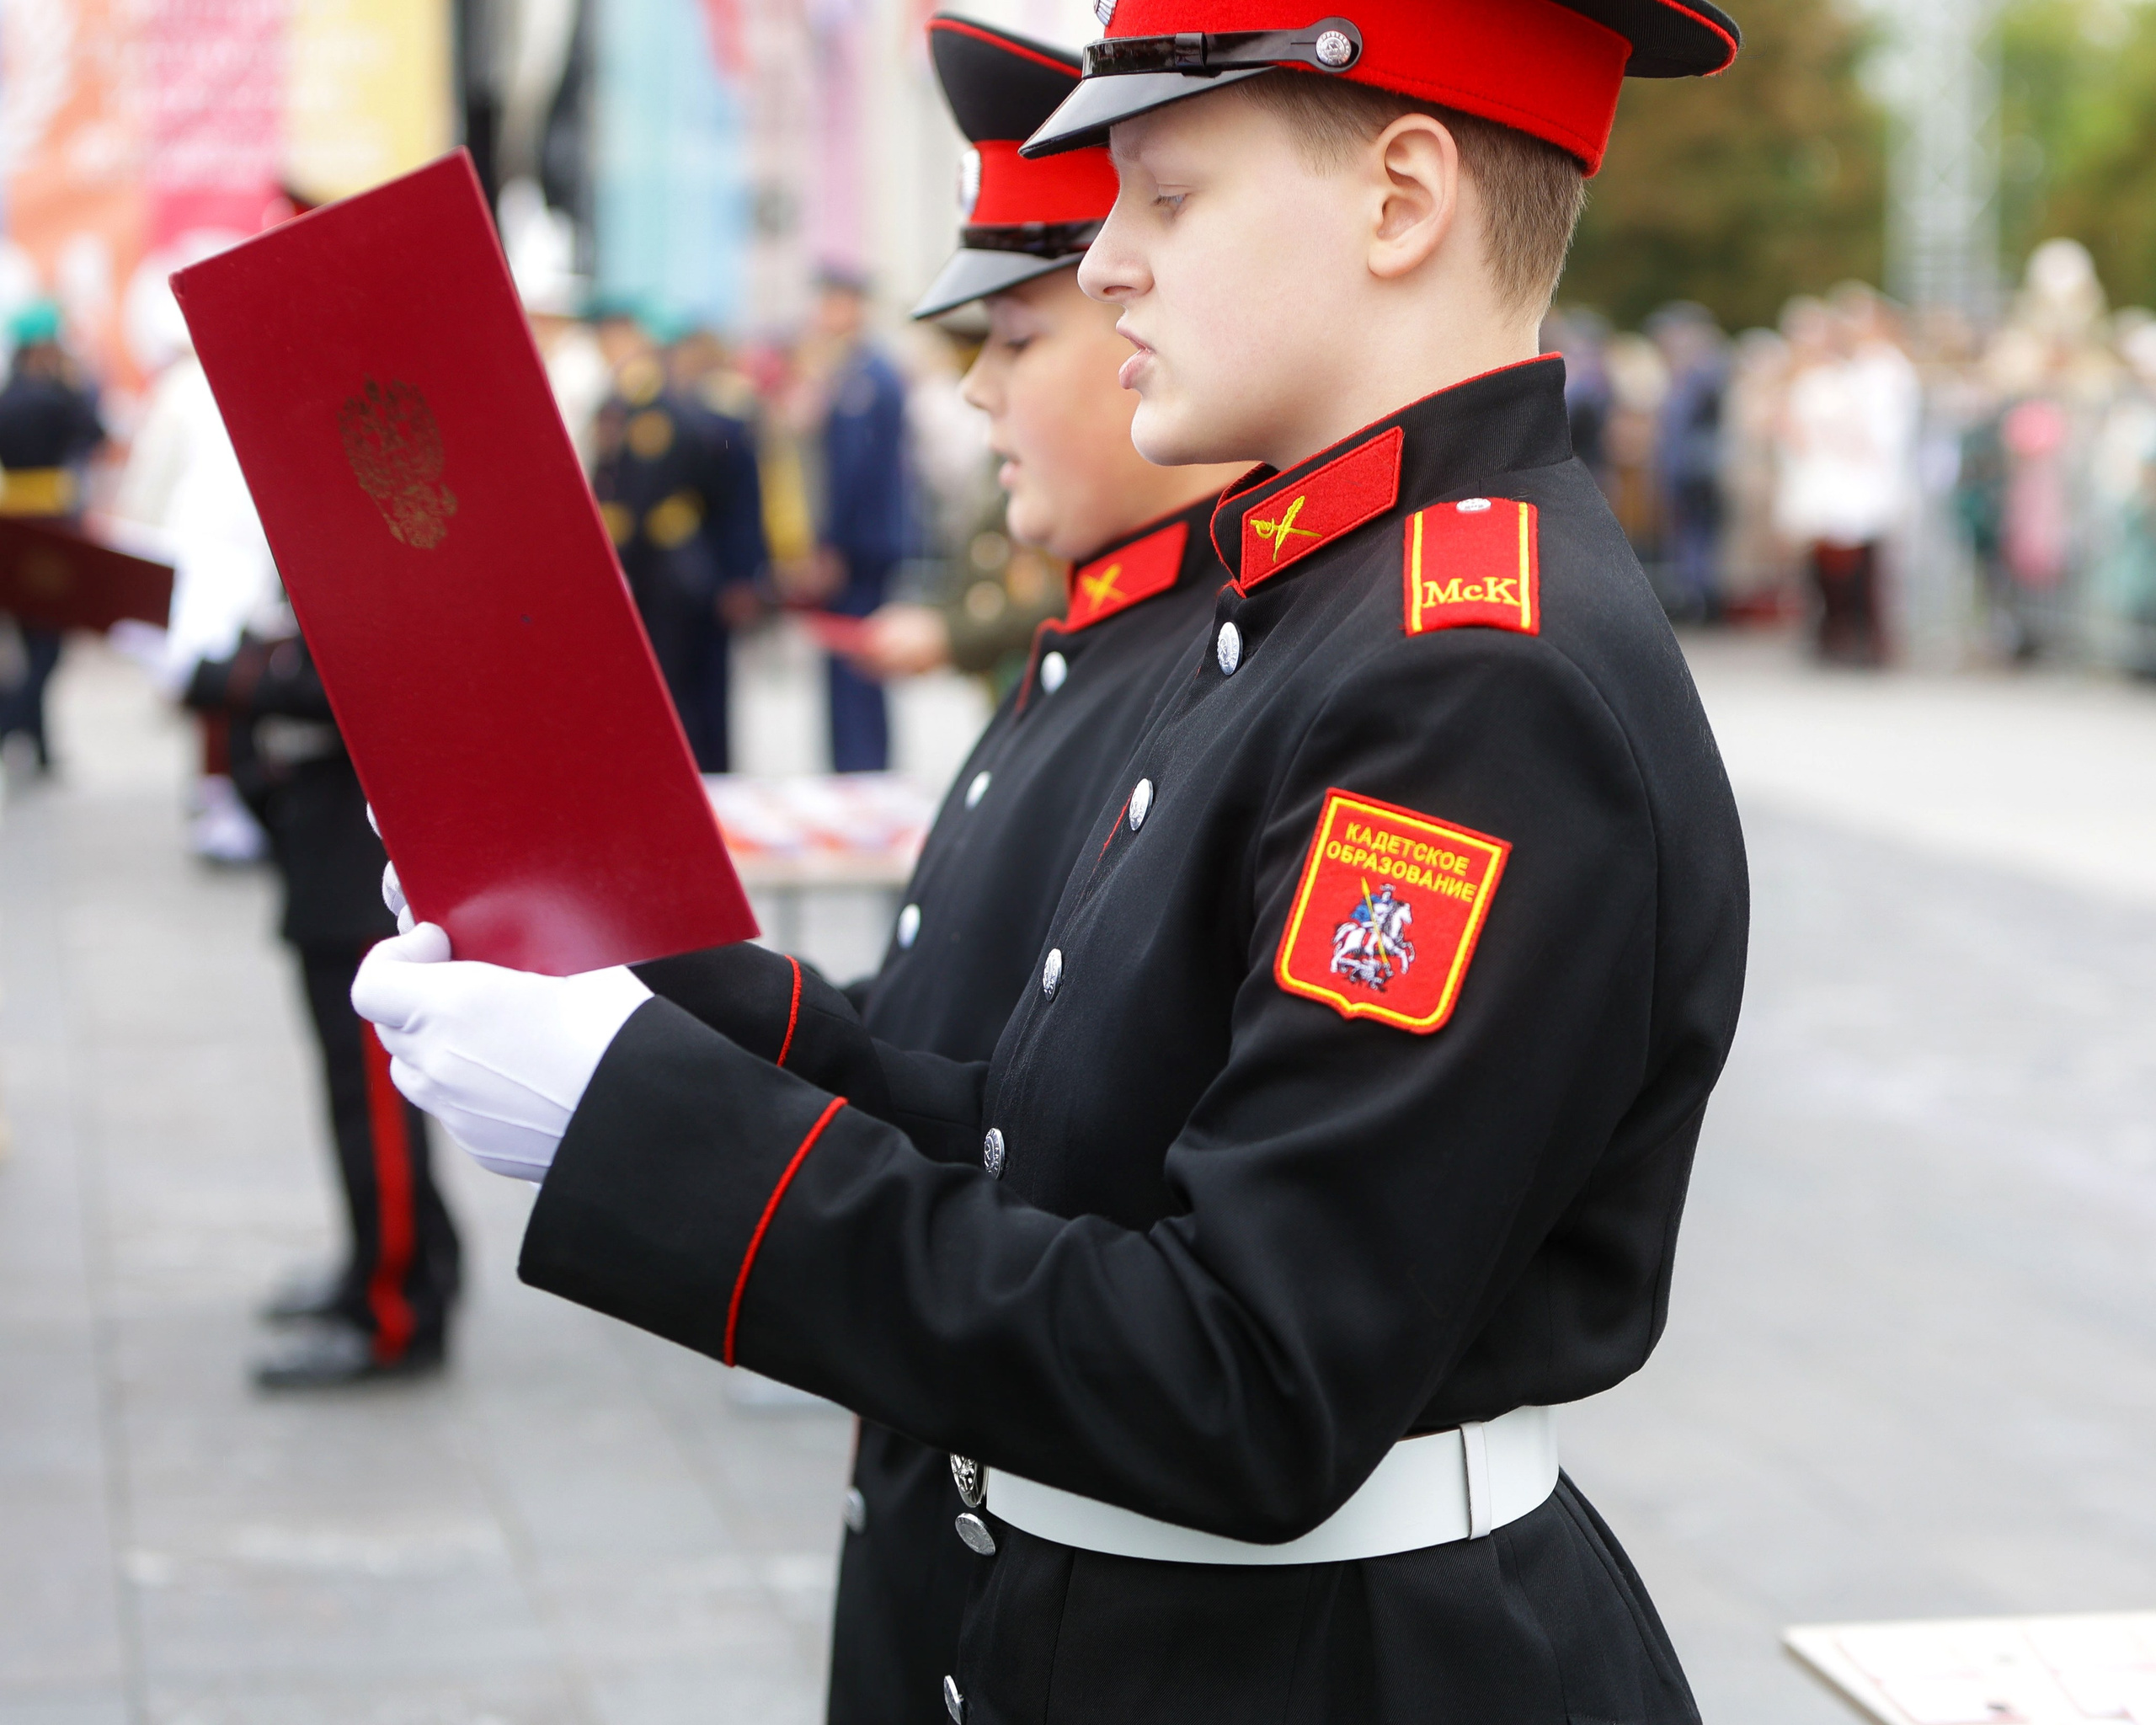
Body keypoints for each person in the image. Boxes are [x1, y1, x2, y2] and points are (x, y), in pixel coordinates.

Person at [355, 3, 1751, 1719]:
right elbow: (1052, 1146)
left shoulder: (1470, 678)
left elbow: (1246, 1371)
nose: (1102, 263)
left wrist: (640, 1125)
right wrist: (641, 991)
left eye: (1167, 195)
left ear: (1400, 201)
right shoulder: (1324, 610)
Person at [687, 20, 1241, 1721]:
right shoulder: (1099, 639)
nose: (978, 392)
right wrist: (665, 991)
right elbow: (954, 1044)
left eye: (1015, 335)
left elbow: (1164, 1267)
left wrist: (652, 1135)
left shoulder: (1212, 670)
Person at [590, 314, 766, 772]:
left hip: (679, 568)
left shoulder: (694, 412)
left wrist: (744, 573)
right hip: (668, 566)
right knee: (677, 686)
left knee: (690, 688)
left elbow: (735, 501)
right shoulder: (628, 404)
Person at [805, 269, 913, 771]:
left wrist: (830, 543)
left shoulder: (862, 379)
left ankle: (860, 769)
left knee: (855, 664)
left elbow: (851, 472)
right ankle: (861, 766)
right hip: (867, 538)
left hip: (860, 543)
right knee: (853, 663)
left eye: (833, 303)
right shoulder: (861, 371)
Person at [0, 299, 105, 772]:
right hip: (54, 525)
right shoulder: (59, 398)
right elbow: (96, 433)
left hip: (12, 526)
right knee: (51, 644)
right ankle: (11, 723)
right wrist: (73, 381)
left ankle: (40, 750)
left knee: (30, 639)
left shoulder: (7, 397)